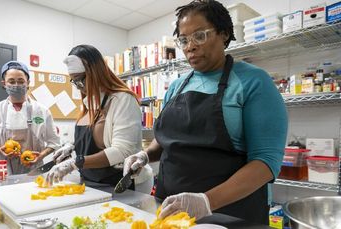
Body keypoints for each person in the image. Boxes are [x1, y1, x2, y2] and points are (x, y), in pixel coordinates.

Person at [123, 0, 287, 225]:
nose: (190, 46)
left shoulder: (253, 81)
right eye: (183, 40)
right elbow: (166, 142)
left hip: (230, 212)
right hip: (169, 209)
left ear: (224, 34)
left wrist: (206, 201)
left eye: (199, 36)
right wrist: (144, 156)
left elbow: (266, 162)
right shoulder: (176, 86)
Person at [46, 45, 152, 189]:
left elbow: (122, 151)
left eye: (80, 80)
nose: (78, 86)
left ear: (96, 72)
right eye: (74, 81)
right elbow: (92, 137)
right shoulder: (88, 103)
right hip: (91, 182)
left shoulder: (122, 100)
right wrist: (71, 146)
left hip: (120, 183)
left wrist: (75, 163)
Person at [0, 61, 60, 175]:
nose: (16, 85)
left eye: (21, 81)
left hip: (35, 169)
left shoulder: (42, 111)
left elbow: (54, 142)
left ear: (28, 83)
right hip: (5, 169)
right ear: (4, 83)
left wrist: (41, 155)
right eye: (11, 81)